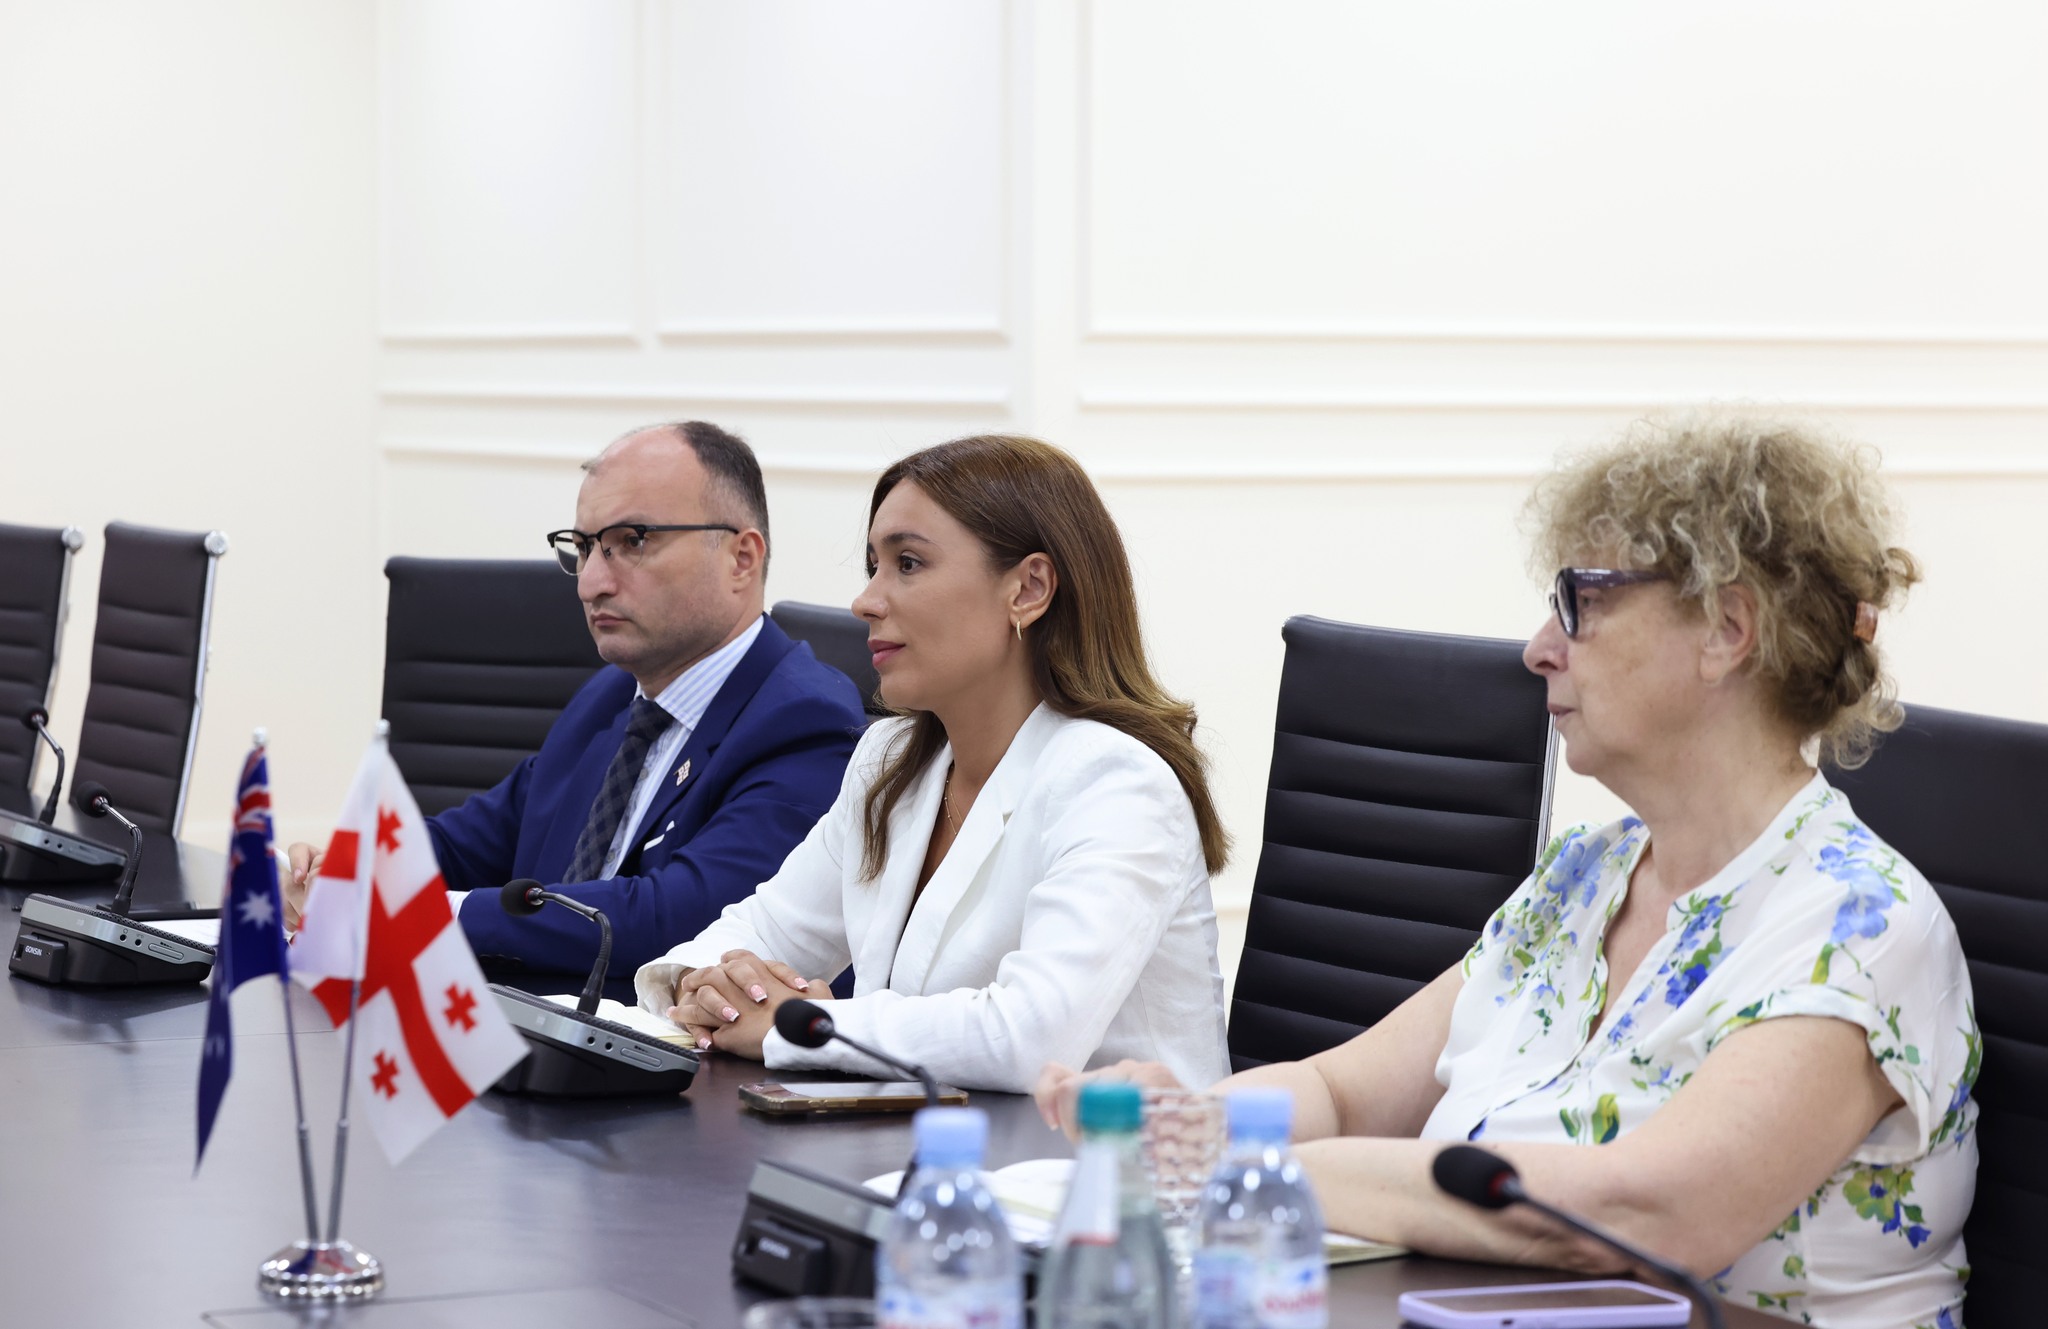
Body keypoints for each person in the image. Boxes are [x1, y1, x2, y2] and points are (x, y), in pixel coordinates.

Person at [1036, 416, 1977, 1329]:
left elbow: (1644, 1212)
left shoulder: (1859, 925)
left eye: (1582, 602)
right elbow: (1344, 1093)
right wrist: (1189, 1126)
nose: (1539, 648)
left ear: (1727, 628)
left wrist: (1258, 1168)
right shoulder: (1585, 877)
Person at [631, 434, 1233, 1093]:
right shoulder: (890, 760)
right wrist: (705, 987)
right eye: (873, 565)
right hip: (925, 1140)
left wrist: (800, 1024)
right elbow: (759, 930)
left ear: (1029, 589)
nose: (865, 601)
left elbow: (1031, 1039)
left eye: (908, 563)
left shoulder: (1116, 782)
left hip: (1106, 1153)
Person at [284, 422, 866, 973]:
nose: (590, 583)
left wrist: (423, 914)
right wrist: (354, 868)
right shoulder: (612, 695)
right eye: (584, 547)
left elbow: (679, 920)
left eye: (631, 542)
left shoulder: (804, 722)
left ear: (741, 558)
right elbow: (477, 840)